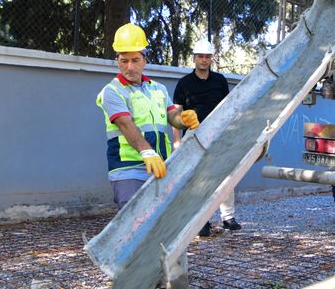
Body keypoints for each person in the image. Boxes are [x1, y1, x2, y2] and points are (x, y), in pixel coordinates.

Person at [97, 23, 200, 210]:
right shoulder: (111, 92)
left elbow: (173, 118)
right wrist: (147, 151)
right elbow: (125, 125)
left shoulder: (158, 89)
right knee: (133, 223)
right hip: (128, 170)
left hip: (160, 165)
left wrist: (184, 119)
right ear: (117, 60)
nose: (129, 67)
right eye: (124, 60)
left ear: (144, 59)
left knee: (160, 222)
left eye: (135, 60)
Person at [173, 39, 242, 236]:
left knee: (225, 175)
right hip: (193, 136)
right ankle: (201, 221)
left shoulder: (219, 81)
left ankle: (228, 217)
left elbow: (228, 109)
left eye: (207, 56)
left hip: (219, 134)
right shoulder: (184, 83)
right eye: (200, 56)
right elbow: (176, 115)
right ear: (194, 58)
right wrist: (177, 141)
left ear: (211, 59)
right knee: (196, 180)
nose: (204, 60)